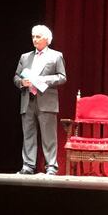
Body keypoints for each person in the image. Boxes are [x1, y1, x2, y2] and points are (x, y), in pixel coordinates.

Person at [13, 25, 67, 175]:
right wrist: (22, 83)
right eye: (33, 37)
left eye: (38, 37)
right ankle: (28, 166)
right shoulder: (25, 57)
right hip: (28, 99)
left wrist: (43, 79)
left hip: (46, 100)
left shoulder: (56, 56)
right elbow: (16, 77)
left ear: (47, 39)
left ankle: (51, 166)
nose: (34, 40)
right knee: (28, 134)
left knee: (49, 136)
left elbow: (62, 77)